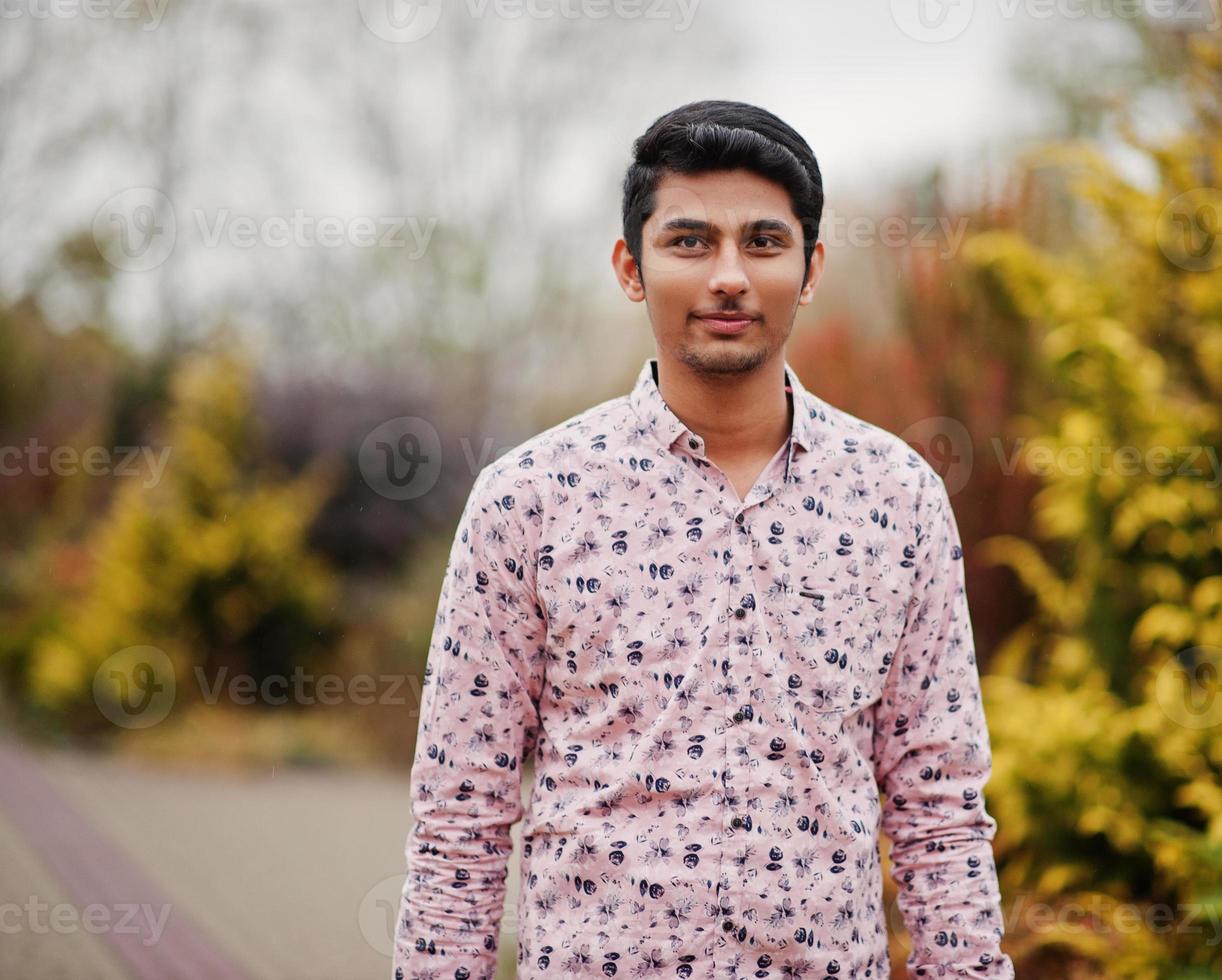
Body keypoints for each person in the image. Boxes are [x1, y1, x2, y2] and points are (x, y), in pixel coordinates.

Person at [392, 99, 1014, 979]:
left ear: (809, 269)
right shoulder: (528, 503)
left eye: (763, 242)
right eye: (689, 242)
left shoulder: (896, 500)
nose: (728, 276)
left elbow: (937, 807)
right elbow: (462, 816)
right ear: (630, 267)